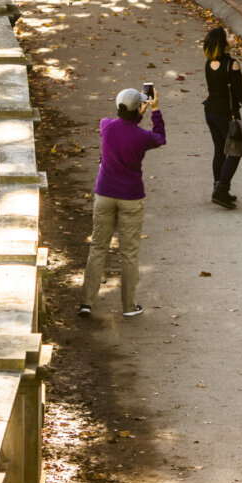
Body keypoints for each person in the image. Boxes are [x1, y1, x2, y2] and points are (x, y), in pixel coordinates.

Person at [78, 86, 165, 318]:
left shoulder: (106, 125)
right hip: (131, 197)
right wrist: (154, 110)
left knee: (98, 248)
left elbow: (122, 124)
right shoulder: (142, 137)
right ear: (138, 109)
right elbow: (160, 137)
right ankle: (128, 306)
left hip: (104, 194)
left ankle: (86, 301)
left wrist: (137, 112)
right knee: (129, 253)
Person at [202, 25, 242, 209]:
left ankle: (218, 187)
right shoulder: (231, 64)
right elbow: (239, 92)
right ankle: (221, 189)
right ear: (223, 42)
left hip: (210, 111)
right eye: (229, 35)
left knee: (220, 149)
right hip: (226, 114)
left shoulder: (209, 63)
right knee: (236, 150)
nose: (233, 36)